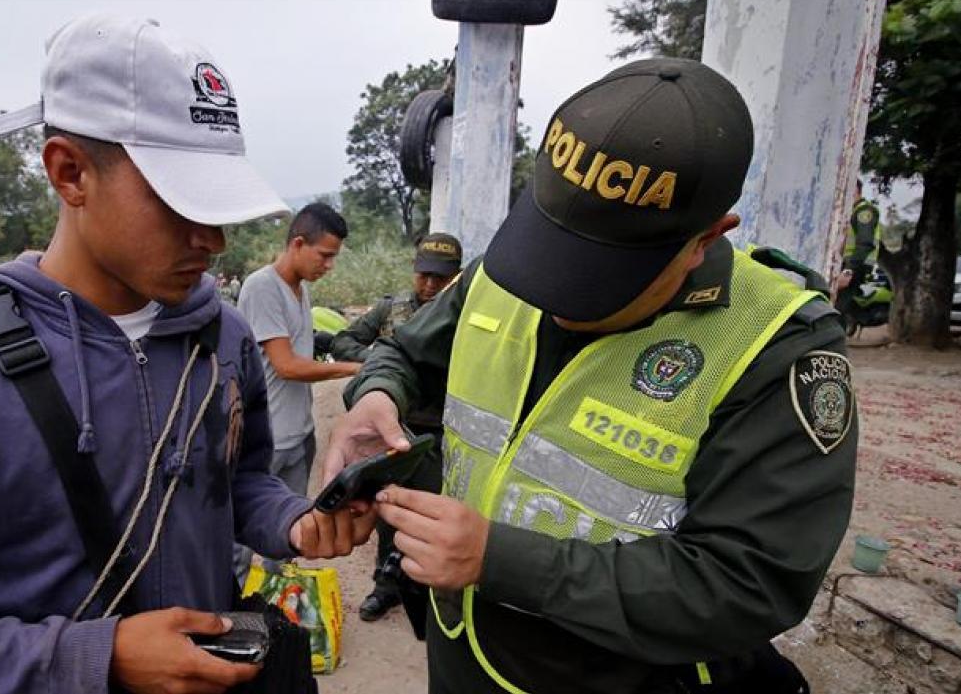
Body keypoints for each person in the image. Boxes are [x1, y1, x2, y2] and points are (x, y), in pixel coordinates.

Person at [0, 15, 373, 694]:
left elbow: (238, 481)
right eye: (181, 202)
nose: (212, 240)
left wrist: (294, 521)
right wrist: (90, 657)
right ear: (70, 172)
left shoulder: (223, 337)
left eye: (219, 207)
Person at [326, 58, 857, 694]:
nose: (557, 296)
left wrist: (501, 560)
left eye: (600, 274)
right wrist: (377, 395)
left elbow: (750, 582)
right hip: (462, 657)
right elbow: (406, 353)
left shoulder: (775, 346)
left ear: (705, 239)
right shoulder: (505, 270)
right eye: (554, 248)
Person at [330, 231, 463, 622]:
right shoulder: (393, 308)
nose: (430, 284)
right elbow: (343, 341)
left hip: (445, 431)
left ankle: (428, 593)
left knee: (436, 515)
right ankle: (386, 587)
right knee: (390, 508)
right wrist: (379, 360)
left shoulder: (464, 316)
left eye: (440, 278)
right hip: (397, 429)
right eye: (424, 275)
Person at [237, 203, 362, 499]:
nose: (329, 265)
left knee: (288, 530)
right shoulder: (262, 287)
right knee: (243, 537)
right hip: (269, 438)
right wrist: (353, 368)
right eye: (325, 255)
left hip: (299, 432)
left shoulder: (300, 288)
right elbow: (287, 366)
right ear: (298, 244)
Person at [836, 180, 881, 314]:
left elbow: (865, 244)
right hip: (853, 264)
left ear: (855, 190)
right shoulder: (853, 211)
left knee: (838, 311)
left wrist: (848, 271)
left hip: (856, 265)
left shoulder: (864, 211)